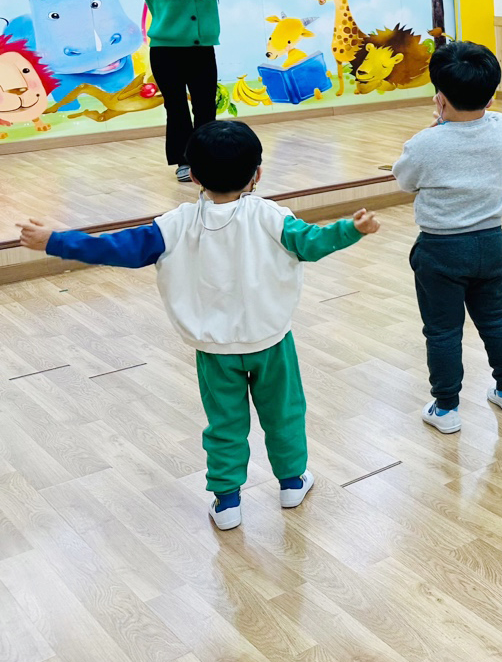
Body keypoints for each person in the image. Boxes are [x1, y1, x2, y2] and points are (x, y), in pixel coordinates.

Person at [16, 120, 377, 530]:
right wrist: (351, 229)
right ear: (258, 174)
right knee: (284, 413)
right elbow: (314, 243)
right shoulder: (272, 217)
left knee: (225, 424)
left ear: (194, 177)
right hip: (271, 343)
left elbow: (114, 248)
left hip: (214, 351)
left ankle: (227, 503)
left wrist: (54, 240)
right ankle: (292, 483)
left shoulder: (173, 225)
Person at [392, 41, 502, 432]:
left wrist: (440, 124)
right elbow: (497, 117)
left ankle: (447, 408)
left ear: (439, 97)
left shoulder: (424, 144)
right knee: (496, 317)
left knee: (443, 330)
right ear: (492, 94)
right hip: (491, 243)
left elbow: (404, 180)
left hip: (440, 249)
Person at [114, 0, 250, 183]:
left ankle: (208, 159)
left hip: (201, 51)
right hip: (166, 52)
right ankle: (184, 161)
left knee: (205, 107)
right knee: (176, 108)